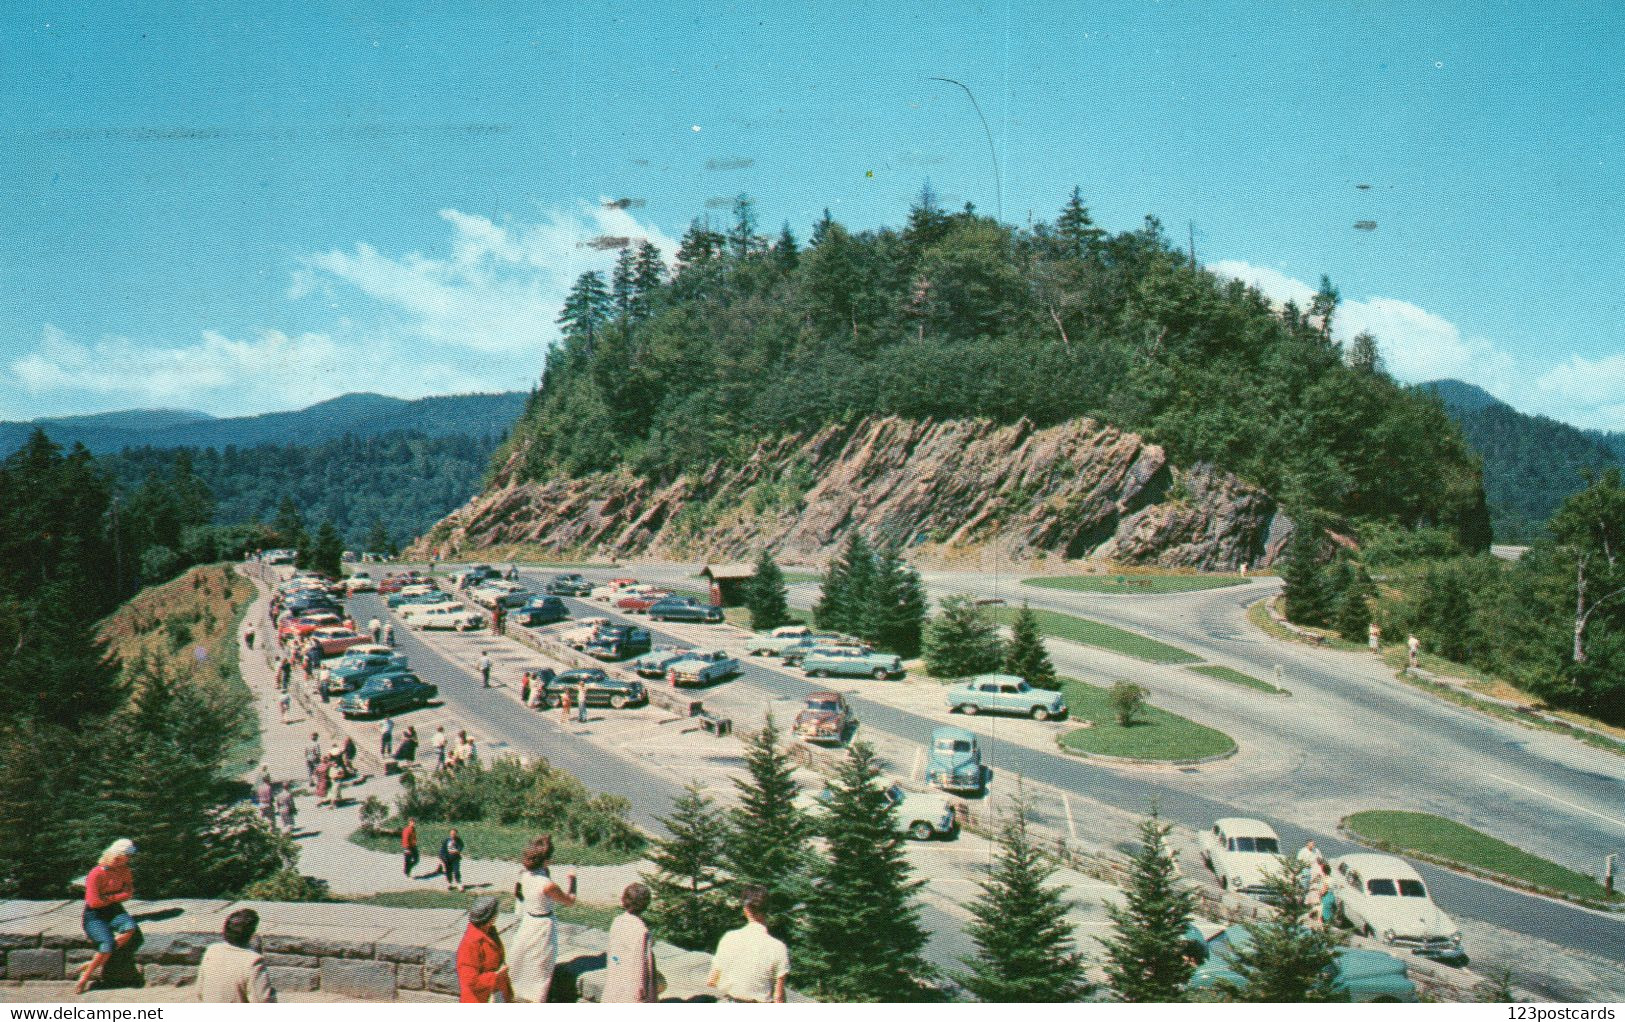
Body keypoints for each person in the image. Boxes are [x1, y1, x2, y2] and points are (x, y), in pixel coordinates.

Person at [509, 835, 577, 1003]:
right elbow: (570, 901)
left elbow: (519, 894)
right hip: (543, 926)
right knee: (541, 967)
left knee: (521, 962)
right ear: (546, 860)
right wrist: (573, 880)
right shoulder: (547, 885)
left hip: (528, 921)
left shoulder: (523, 875)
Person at [75, 839, 142, 995]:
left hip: (114, 910)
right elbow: (93, 902)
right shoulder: (96, 873)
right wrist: (117, 896)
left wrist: (108, 898)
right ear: (119, 856)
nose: (130, 860)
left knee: (130, 928)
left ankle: (92, 963)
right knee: (107, 943)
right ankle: (85, 977)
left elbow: (129, 892)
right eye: (128, 856)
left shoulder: (124, 870)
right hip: (94, 915)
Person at [707, 885, 788, 1003]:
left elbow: (712, 980)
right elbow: (779, 997)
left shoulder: (729, 938)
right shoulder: (778, 947)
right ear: (767, 909)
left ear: (745, 909)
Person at [197, 908, 277, 1003]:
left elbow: (199, 991)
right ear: (251, 934)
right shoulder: (253, 961)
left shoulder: (212, 950)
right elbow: (262, 1001)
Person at [602, 882, 657, 1003]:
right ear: (646, 904)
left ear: (624, 900)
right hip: (633, 982)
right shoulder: (641, 931)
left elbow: (613, 952)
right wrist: (640, 988)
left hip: (617, 974)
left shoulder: (617, 921)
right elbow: (640, 962)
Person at [456, 896, 513, 1003]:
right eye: (496, 912)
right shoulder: (470, 943)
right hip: (479, 999)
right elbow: (470, 981)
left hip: (495, 993)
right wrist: (496, 976)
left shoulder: (489, 932)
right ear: (491, 918)